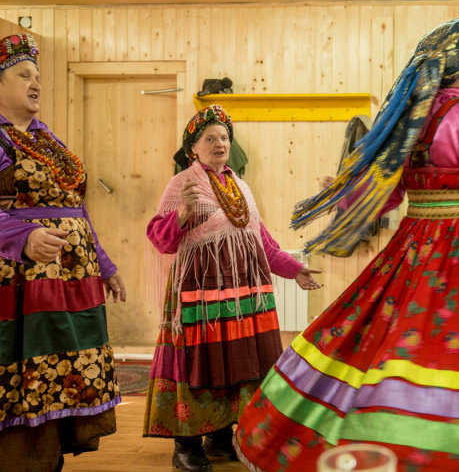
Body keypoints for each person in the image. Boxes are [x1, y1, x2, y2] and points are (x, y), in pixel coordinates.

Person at [233, 16, 459, 471]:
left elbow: (383, 193)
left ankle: (375, 438)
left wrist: (344, 190)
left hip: (414, 248)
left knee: (382, 343)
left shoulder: (408, 119)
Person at [142, 104, 321, 472]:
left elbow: (262, 240)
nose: (219, 143)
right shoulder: (182, 184)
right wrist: (181, 214)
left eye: (224, 137)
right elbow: (160, 239)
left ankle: (221, 435)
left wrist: (296, 271)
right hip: (202, 289)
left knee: (240, 359)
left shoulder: (240, 185)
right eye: (210, 138)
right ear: (193, 148)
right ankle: (186, 446)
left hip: (245, 291)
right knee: (202, 362)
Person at [0, 33, 126, 472]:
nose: (35, 84)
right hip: (22, 284)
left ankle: (50, 459)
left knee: (63, 377)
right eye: (23, 75)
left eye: (38, 76)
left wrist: (105, 265)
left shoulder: (45, 139)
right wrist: (23, 238)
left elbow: (77, 207)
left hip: (72, 284)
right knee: (28, 380)